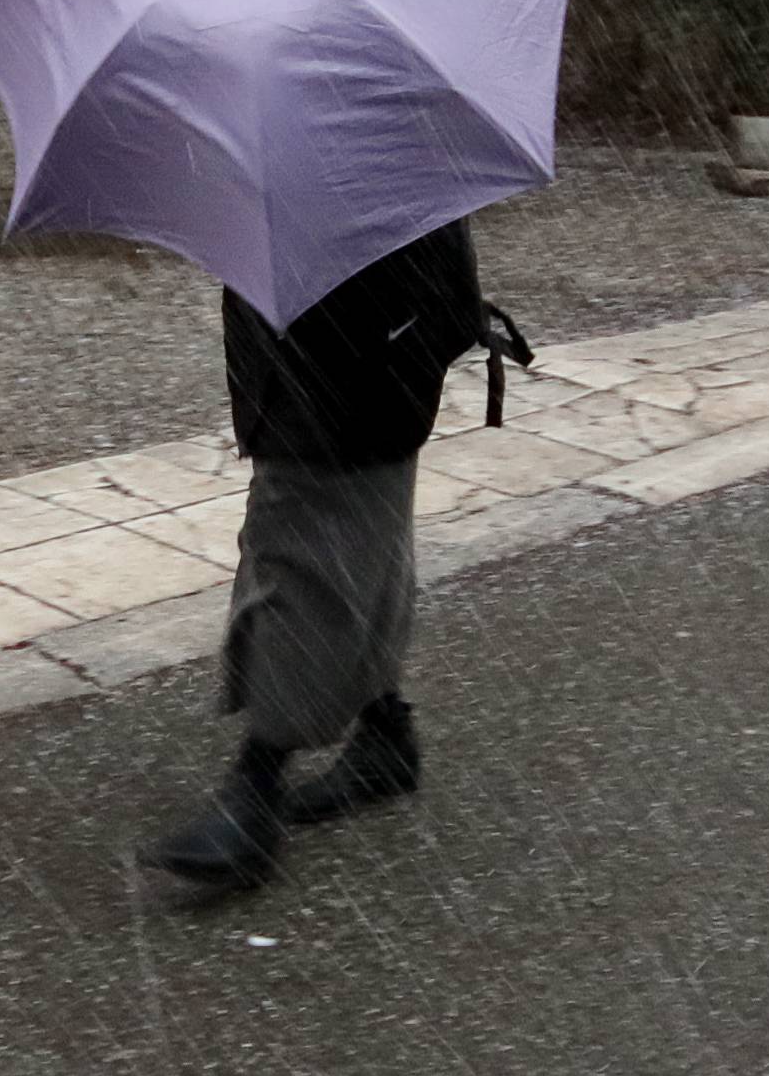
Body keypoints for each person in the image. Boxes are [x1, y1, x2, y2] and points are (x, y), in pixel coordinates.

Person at [143, 219, 514, 891]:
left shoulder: (341, 141)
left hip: (346, 350)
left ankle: (256, 786)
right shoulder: (387, 132)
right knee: (367, 537)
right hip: (381, 340)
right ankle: (384, 734)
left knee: (305, 562)